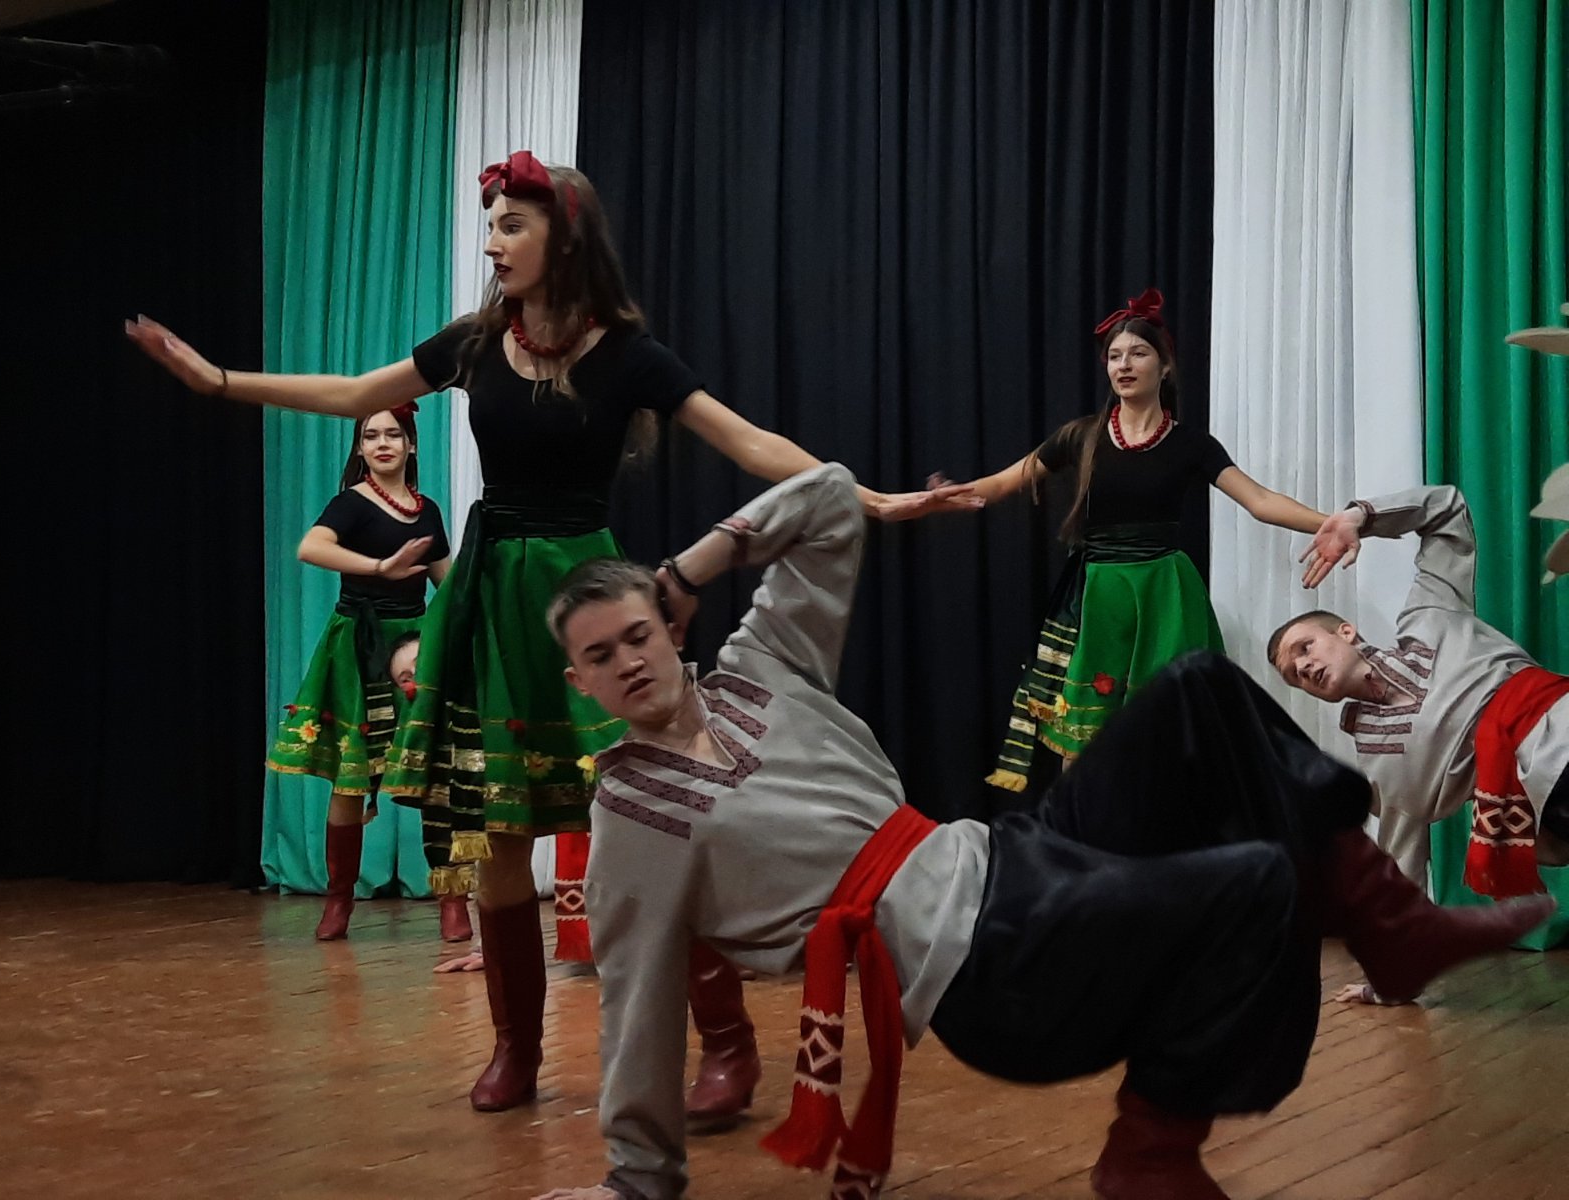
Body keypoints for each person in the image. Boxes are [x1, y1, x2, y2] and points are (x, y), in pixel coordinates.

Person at [125, 149, 970, 1119]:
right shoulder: (475, 343)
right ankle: (515, 1049)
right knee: (498, 831)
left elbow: (749, 444)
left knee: (655, 816)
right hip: (490, 596)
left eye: (512, 225)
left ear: (564, 239)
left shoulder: (627, 354)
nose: (493, 242)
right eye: (490, 225)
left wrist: (866, 499)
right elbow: (356, 393)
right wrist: (218, 380)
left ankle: (727, 1046)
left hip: (589, 598)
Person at [532, 463, 1553, 1200]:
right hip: (978, 964)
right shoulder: (632, 818)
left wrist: (695, 562)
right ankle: (1152, 1147)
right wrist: (635, 1178)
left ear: (667, 622)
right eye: (599, 655)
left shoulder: (760, 669)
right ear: (579, 682)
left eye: (637, 632)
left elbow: (832, 498)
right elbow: (636, 1003)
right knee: (1253, 884)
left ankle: (1388, 920)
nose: (628, 660)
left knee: (1199, 687)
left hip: (1005, 856)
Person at [933, 288, 1331, 786]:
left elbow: (1261, 501)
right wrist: (939, 498)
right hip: (1102, 596)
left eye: (1138, 353)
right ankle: (1081, 829)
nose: (1124, 364)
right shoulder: (1081, 437)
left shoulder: (1191, 445)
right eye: (1114, 356)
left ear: (1165, 367)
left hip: (1166, 595)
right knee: (1086, 736)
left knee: (1172, 732)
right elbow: (1002, 483)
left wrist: (1336, 522)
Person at [1269, 485, 1568, 988]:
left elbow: (1447, 512)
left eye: (1305, 647)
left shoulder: (1431, 616)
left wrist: (1360, 517)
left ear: (1345, 631)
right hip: (1548, 807)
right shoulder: (1380, 762)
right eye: (1294, 674)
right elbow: (1401, 864)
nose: (1304, 666)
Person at [264, 404, 468, 943]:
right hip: (357, 644)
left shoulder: (427, 511)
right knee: (351, 775)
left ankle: (452, 900)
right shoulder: (351, 503)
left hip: (412, 650)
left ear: (411, 444)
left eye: (393, 435)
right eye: (371, 435)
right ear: (360, 448)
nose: (382, 443)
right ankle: (339, 900)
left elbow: (448, 587)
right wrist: (380, 568)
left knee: (434, 769)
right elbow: (311, 547)